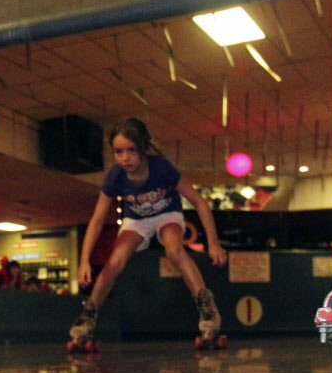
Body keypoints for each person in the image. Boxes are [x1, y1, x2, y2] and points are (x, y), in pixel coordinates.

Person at [68, 118, 227, 350]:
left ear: (142, 148)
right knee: (115, 262)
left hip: (167, 214)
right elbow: (98, 220)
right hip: (137, 220)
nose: (125, 158)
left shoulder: (161, 167)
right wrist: (84, 262)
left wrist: (213, 243)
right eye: (118, 151)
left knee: (174, 251)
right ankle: (88, 316)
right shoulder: (115, 176)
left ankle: (207, 307)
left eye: (131, 150)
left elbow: (198, 201)